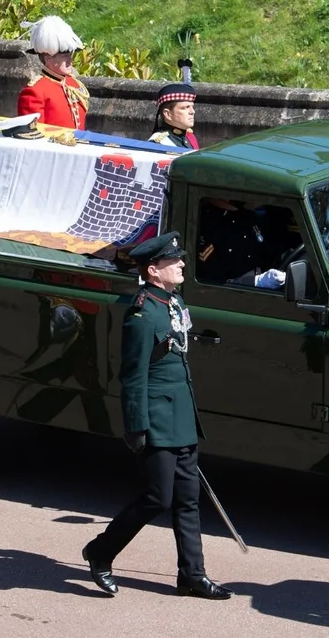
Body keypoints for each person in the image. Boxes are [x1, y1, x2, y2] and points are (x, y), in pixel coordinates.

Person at [81, 231, 233, 600]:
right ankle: (100, 552)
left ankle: (192, 576)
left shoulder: (173, 302)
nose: (182, 264)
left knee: (188, 501)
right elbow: (133, 375)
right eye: (173, 261)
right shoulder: (142, 314)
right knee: (156, 498)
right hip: (156, 421)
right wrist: (136, 425)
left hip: (181, 416)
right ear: (153, 270)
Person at [16, 15, 89, 129]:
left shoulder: (74, 84)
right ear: (48, 59)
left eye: (70, 55)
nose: (70, 60)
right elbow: (34, 135)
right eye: (65, 56)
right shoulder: (35, 91)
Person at [196, 198, 285, 289]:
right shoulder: (206, 225)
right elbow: (212, 282)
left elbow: (267, 250)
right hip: (236, 294)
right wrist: (257, 282)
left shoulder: (246, 216)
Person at [148, 83, 199, 150]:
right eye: (184, 108)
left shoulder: (190, 137)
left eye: (192, 107)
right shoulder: (158, 144)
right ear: (168, 114)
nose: (192, 112)